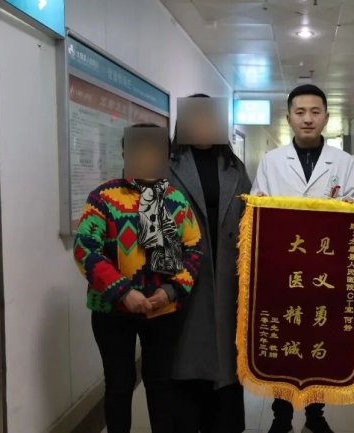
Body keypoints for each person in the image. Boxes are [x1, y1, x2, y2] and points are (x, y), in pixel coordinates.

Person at [74, 123, 202, 433]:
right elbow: (85, 249)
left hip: (163, 310)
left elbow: (194, 248)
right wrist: (123, 291)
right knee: (119, 384)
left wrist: (172, 290)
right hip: (112, 311)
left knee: (160, 384)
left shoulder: (174, 200)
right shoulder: (103, 198)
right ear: (124, 154)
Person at [251, 84, 354, 433]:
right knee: (284, 340)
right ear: (289, 118)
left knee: (318, 338)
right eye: (300, 112)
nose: (308, 119)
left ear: (326, 117)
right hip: (283, 271)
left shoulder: (343, 162)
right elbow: (256, 208)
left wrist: (349, 206)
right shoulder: (271, 161)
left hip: (324, 270)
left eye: (315, 112)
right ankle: (281, 416)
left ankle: (316, 414)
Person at [169, 94, 252, 433]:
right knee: (186, 356)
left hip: (228, 273)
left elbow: (250, 217)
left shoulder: (234, 167)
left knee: (226, 357)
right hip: (184, 273)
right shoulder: (166, 165)